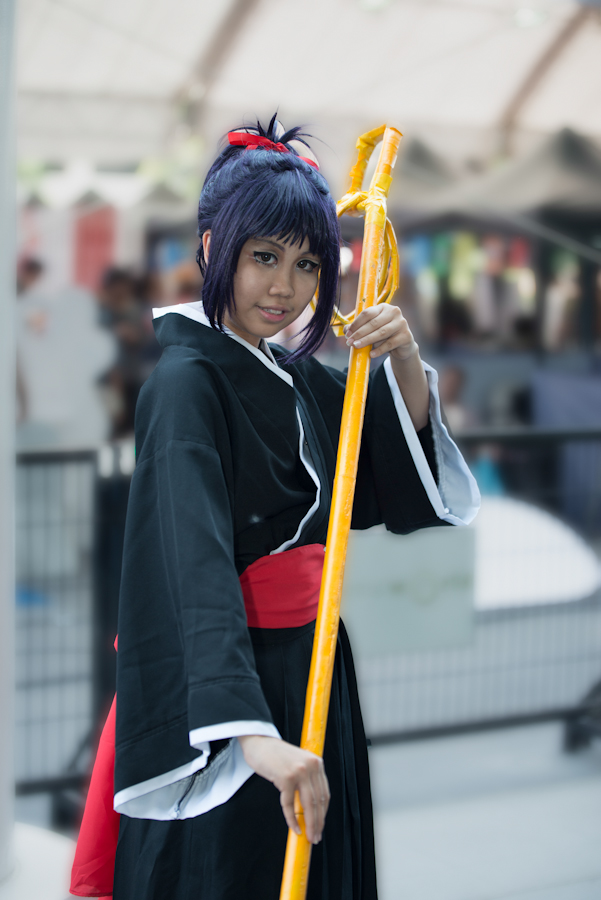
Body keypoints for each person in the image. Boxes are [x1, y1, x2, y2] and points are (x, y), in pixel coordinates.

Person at [70, 116, 479, 900]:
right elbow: (192, 564)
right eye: (263, 257)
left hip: (312, 663)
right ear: (211, 247)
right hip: (230, 687)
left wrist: (401, 357)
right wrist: (250, 736)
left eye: (306, 263)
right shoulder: (185, 385)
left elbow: (382, 466)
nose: (285, 287)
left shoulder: (292, 374)